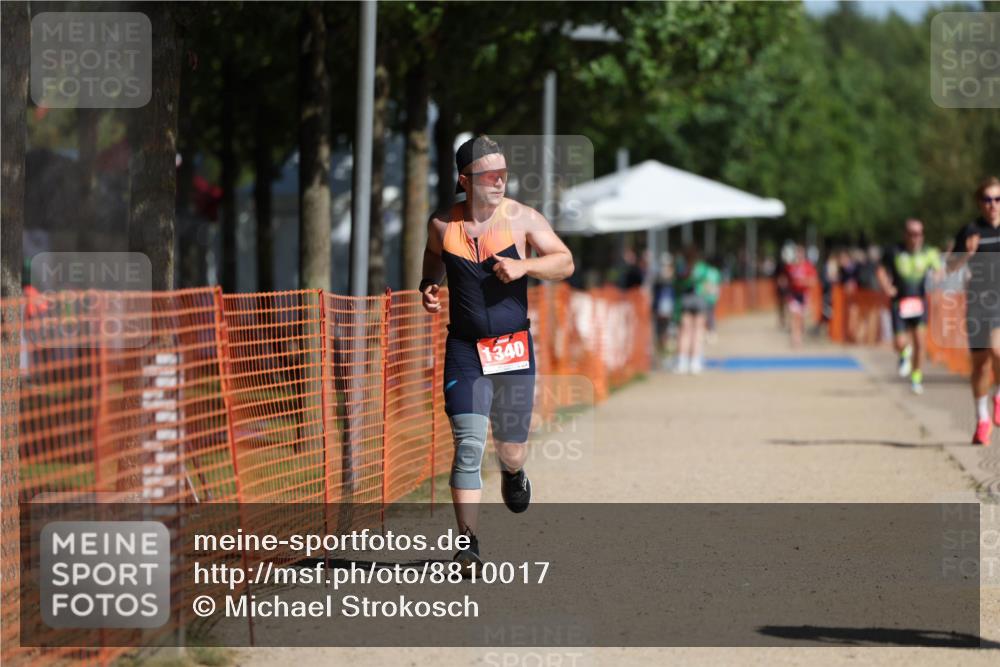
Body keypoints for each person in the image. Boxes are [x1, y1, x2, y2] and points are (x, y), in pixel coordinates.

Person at [420, 135, 574, 568]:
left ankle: (513, 472)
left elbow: (565, 261)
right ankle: (467, 543)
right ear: (465, 180)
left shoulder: (523, 219)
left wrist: (526, 265)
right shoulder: (441, 224)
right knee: (468, 444)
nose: (500, 182)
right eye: (491, 176)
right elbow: (433, 258)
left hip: (512, 349)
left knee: (510, 449)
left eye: (504, 174)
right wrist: (429, 286)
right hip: (465, 349)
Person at [946, 176, 1000, 446]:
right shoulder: (970, 231)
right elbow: (950, 268)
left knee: (998, 350)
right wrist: (966, 254)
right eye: (987, 199)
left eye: (997, 199)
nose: (993, 205)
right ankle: (982, 419)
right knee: (980, 365)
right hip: (977, 303)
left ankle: (999, 395)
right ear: (980, 203)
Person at [876, 219, 943, 395]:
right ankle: (904, 352)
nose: (915, 238)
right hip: (899, 302)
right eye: (912, 234)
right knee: (899, 342)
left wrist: (936, 279)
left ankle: (916, 378)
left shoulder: (929, 252)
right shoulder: (894, 252)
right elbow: (881, 270)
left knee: (921, 343)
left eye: (919, 234)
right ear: (905, 235)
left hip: (919, 303)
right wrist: (886, 287)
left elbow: (938, 270)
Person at [673, 246, 714, 374]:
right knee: (698, 331)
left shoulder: (682, 266)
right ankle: (695, 361)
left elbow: (676, 283)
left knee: (685, 331)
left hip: (685, 299)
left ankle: (682, 361)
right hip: (700, 299)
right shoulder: (703, 268)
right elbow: (709, 286)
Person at [783, 245, 818, 348]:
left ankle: (800, 335)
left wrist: (803, 282)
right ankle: (795, 339)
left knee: (801, 318)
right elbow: (786, 279)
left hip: (804, 295)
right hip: (793, 295)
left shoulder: (808, 266)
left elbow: (814, 281)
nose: (798, 256)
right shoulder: (791, 267)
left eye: (800, 254)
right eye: (797, 254)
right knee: (794, 317)